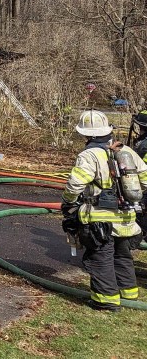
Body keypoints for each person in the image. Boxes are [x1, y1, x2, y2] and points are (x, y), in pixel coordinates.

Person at [60, 110, 147, 310]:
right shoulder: (126, 151)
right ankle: (128, 294)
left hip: (100, 221)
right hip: (126, 218)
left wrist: (68, 202)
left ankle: (105, 300)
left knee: (101, 258)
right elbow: (144, 180)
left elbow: (75, 185)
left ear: (86, 134)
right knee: (122, 256)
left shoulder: (89, 155)